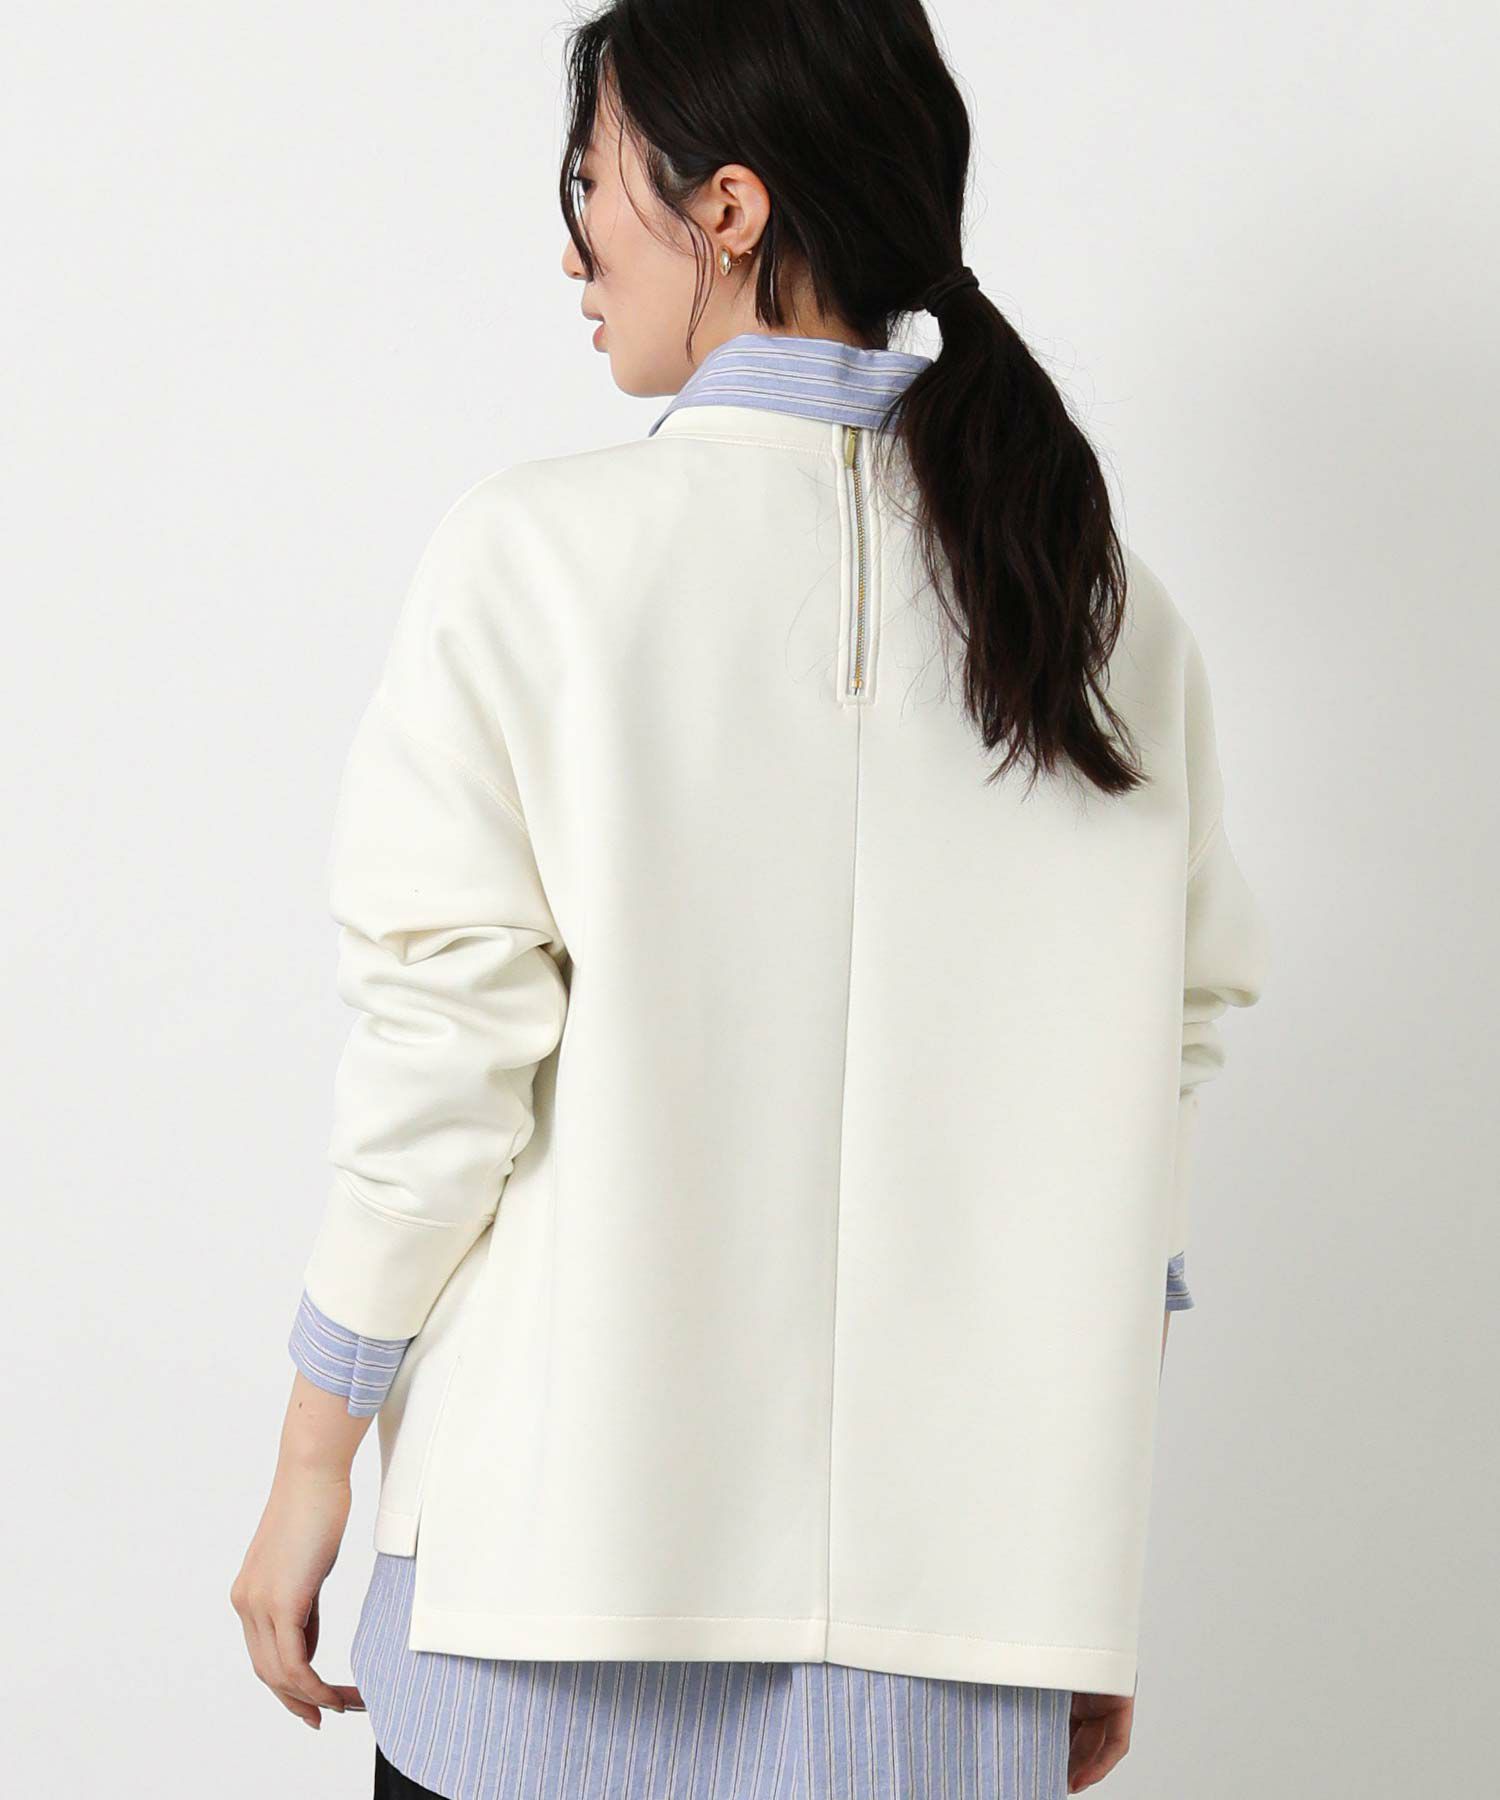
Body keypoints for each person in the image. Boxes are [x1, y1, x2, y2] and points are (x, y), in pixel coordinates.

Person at [229, 3, 1269, 1795]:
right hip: (954, 1654)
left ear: (726, 207)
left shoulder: (537, 558)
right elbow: (1143, 1113)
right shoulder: (1098, 617)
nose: (572, 250)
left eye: (591, 186)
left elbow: (442, 1062)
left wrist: (314, 1448)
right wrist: (1066, 1602)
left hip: (543, 1618)